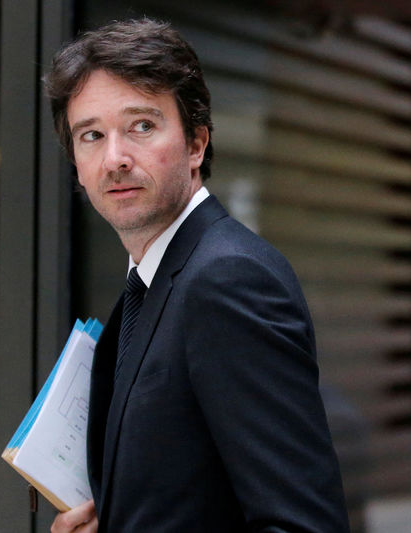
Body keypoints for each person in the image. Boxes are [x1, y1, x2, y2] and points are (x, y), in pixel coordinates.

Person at [44, 18, 350, 532]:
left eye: (141, 126)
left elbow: (302, 525)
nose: (115, 158)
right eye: (92, 135)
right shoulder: (151, 281)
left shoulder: (226, 280)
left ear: (196, 144)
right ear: (76, 162)